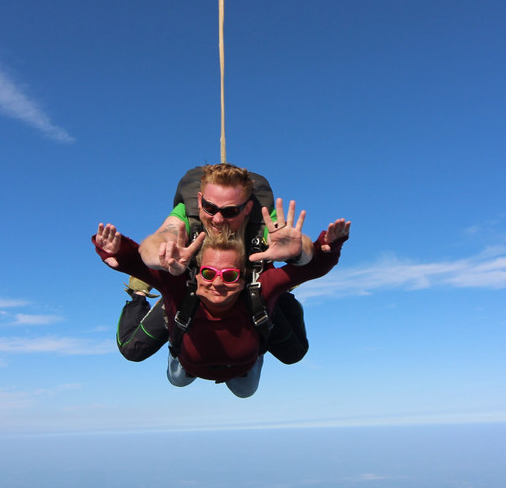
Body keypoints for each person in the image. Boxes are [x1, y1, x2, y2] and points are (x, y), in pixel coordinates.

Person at [95, 213, 350, 397]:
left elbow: (311, 269)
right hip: (186, 316)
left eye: (229, 275)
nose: (217, 282)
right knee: (140, 355)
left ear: (241, 278)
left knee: (279, 365)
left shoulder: (259, 289)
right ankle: (143, 296)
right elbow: (136, 262)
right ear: (196, 274)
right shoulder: (182, 286)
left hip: (244, 348)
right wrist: (115, 251)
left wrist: (327, 248)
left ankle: (281, 299)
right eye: (208, 273)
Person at [116, 164, 314, 365]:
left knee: (294, 353)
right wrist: (162, 255)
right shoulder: (188, 213)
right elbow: (157, 239)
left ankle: (283, 297)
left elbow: (304, 248)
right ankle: (138, 295)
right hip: (193, 288)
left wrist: (297, 252)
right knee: (133, 348)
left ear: (247, 208)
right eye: (210, 208)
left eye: (230, 211)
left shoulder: (263, 219)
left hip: (247, 289)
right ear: (200, 200)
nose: (218, 220)